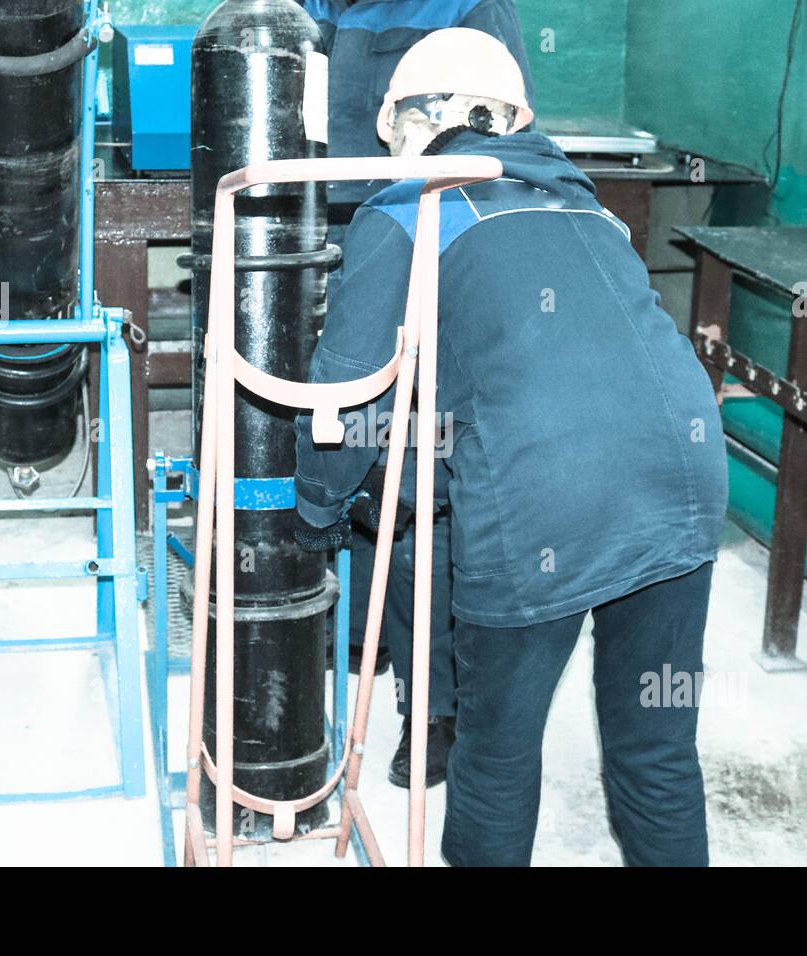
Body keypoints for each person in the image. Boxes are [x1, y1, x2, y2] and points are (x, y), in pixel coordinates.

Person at [292, 29, 728, 866]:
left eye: (395, 136)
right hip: (686, 476)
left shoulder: (405, 208)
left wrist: (314, 514)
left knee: (495, 756)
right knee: (657, 753)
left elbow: (342, 398)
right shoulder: (591, 208)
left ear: (421, 122)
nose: (393, 153)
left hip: (545, 505)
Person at [295, 0, 535, 790]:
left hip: (433, 245)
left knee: (421, 484)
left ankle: (435, 706)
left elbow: (498, 144)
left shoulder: (471, 9)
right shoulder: (320, 9)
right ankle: (367, 640)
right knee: (363, 460)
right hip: (338, 239)